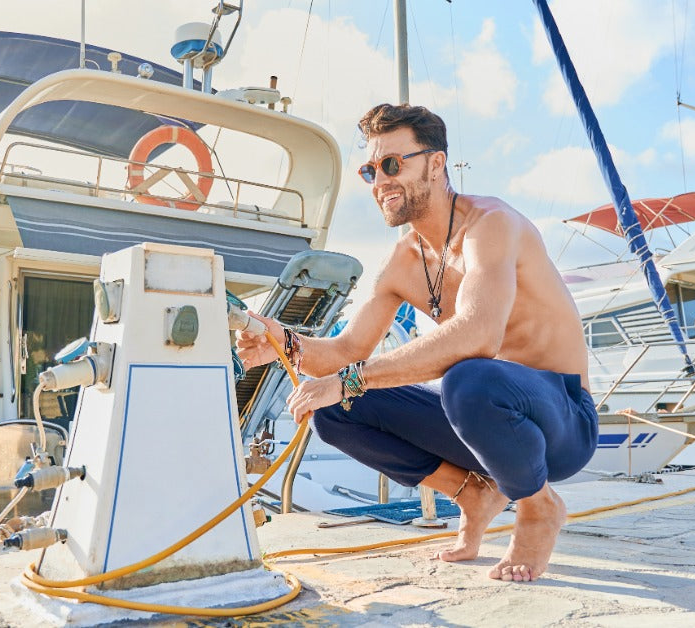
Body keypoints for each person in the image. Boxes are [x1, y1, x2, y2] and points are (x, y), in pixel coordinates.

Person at [236, 103, 598, 582]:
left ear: (435, 163)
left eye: (392, 164)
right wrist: (284, 342)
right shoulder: (403, 262)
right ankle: (473, 494)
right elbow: (346, 354)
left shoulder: (490, 225)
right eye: (369, 170)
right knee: (336, 411)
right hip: (490, 431)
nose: (379, 180)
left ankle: (539, 508)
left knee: (468, 379)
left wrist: (347, 380)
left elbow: (478, 333)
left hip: (562, 422)